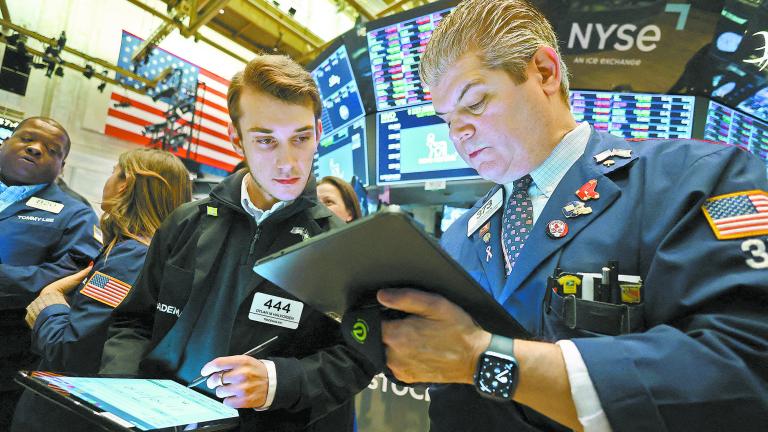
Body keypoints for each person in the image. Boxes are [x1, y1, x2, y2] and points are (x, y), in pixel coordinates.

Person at [375, 1, 768, 431]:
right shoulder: (459, 238)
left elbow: (744, 365)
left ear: (544, 72)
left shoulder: (698, 179)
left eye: (475, 103)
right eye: (447, 120)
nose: (458, 133)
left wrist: (487, 360)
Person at [100, 55, 377, 431]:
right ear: (236, 139)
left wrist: (279, 382)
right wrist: (122, 392)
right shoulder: (184, 222)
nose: (288, 163)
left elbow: (358, 356)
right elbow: (134, 321)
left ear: (317, 132)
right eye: (266, 140)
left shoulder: (342, 246)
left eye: (301, 138)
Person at [11, 148, 191, 432]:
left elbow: (70, 348)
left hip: (66, 409)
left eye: (114, 171)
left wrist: (49, 303)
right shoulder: (154, 256)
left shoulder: (130, 259)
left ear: (126, 183)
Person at [0, 117, 101, 428]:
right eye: (27, 138)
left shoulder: (76, 213)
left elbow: (70, 274)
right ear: (6, 142)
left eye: (51, 149)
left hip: (9, 351)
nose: (34, 148)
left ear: (62, 165)